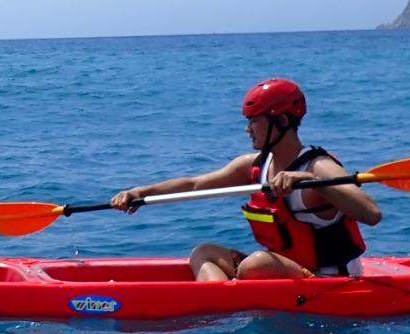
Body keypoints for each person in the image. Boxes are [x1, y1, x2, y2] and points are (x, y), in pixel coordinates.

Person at [109, 78, 382, 281]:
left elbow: (371, 213)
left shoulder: (320, 166)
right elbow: (195, 184)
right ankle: (218, 306)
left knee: (256, 263)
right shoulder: (255, 165)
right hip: (280, 268)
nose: (247, 129)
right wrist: (141, 192)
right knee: (203, 252)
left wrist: (309, 179)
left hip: (329, 277)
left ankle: (230, 299)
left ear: (283, 121)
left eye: (255, 121)